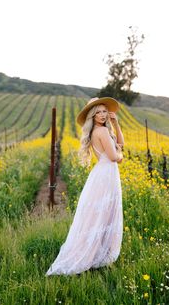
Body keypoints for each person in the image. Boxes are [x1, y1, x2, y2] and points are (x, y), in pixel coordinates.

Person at [45, 97, 124, 276]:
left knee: (100, 215)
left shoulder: (101, 129)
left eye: (105, 111)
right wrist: (121, 156)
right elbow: (114, 157)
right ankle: (96, 254)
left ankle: (96, 251)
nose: (103, 115)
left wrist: (116, 124)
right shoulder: (102, 132)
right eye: (98, 112)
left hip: (103, 174)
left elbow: (121, 143)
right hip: (106, 175)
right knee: (104, 214)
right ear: (92, 115)